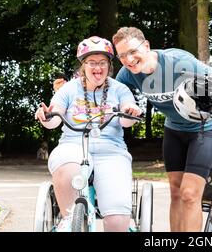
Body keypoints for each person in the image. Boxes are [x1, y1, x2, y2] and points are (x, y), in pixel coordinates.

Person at [111, 27, 212, 232]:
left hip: (204, 129)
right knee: (175, 192)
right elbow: (107, 94)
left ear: (146, 46)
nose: (129, 59)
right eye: (122, 55)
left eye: (132, 52)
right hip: (174, 130)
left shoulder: (179, 62)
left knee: (190, 194)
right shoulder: (127, 75)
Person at [35, 36, 142, 232]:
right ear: (83, 65)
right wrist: (46, 116)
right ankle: (69, 219)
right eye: (92, 63)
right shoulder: (68, 89)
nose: (98, 68)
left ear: (109, 66)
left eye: (102, 63)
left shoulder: (120, 89)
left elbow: (127, 119)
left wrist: (131, 111)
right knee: (65, 162)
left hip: (111, 151)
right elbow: (54, 117)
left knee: (118, 222)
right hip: (72, 146)